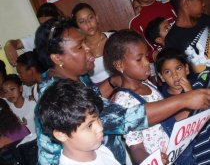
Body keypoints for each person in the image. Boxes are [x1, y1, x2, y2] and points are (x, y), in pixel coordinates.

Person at [34, 17, 210, 165]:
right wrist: (185, 100)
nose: (89, 50)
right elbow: (124, 118)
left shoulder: (75, 76)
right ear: (57, 58)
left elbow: (94, 95)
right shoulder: (57, 95)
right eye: (80, 47)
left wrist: (114, 80)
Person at [103, 29, 169, 164]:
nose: (147, 62)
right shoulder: (124, 101)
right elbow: (136, 148)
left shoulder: (147, 83)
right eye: (139, 59)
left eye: (146, 56)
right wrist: (151, 160)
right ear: (120, 65)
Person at [38, 79, 120, 165]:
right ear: (62, 135)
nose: (100, 127)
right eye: (89, 126)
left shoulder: (101, 150)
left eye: (98, 118)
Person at [165, 0, 210, 74]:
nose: (204, 4)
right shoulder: (172, 39)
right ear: (186, 3)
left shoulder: (205, 20)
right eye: (200, 0)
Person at [71, 3, 112, 85]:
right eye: (82, 21)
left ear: (97, 18)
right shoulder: (80, 50)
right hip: (98, 92)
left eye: (90, 17)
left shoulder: (113, 38)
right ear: (77, 27)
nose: (88, 23)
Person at [2, 74, 37, 164]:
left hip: (36, 141)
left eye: (12, 89)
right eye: (6, 92)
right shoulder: (9, 110)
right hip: (23, 147)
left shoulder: (32, 102)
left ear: (20, 88)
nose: (9, 94)